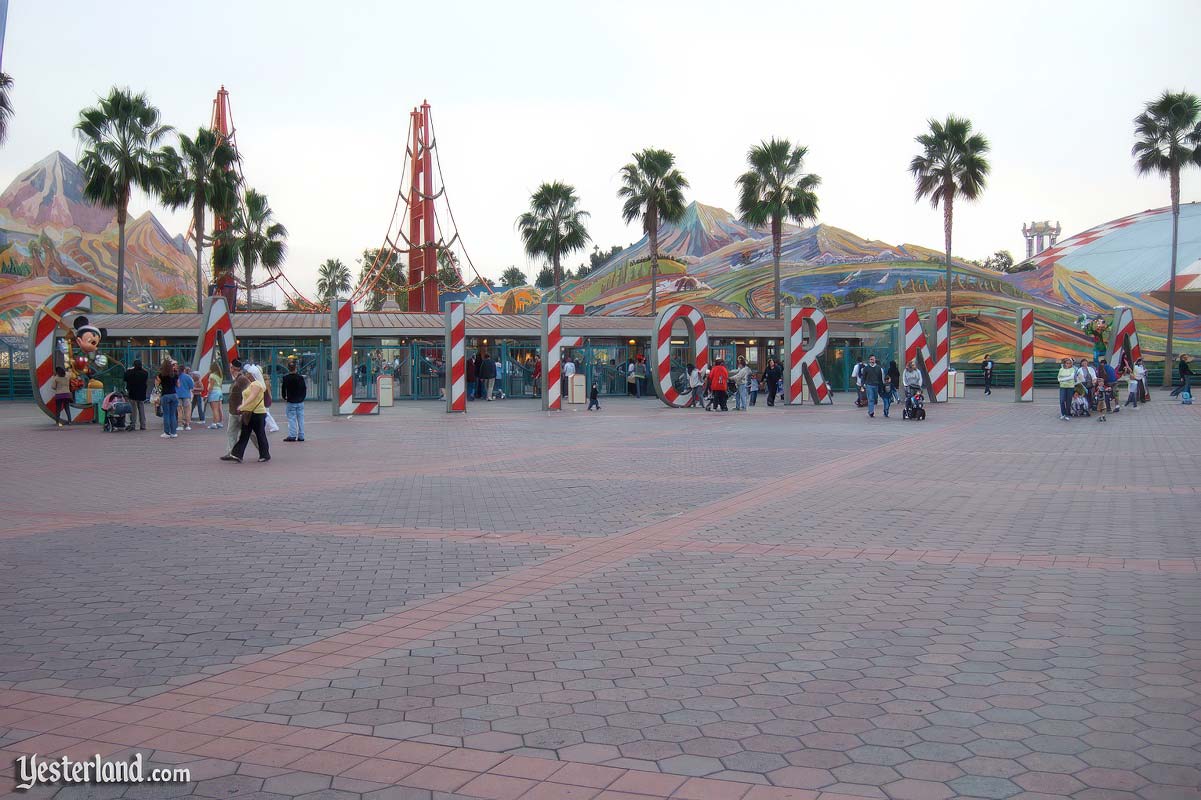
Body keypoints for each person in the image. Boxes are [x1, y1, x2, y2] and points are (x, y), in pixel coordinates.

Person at [223, 363, 270, 463]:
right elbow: (245, 396)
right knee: (245, 434)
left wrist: (243, 406)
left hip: (258, 413)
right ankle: (237, 454)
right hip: (249, 413)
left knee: (260, 434)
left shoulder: (257, 384)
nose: (247, 375)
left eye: (249, 373)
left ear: (253, 375)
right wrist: (244, 407)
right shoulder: (251, 384)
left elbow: (252, 397)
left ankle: (265, 455)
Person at [224, 360, 257, 457]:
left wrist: (244, 406)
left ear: (234, 368)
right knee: (231, 432)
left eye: (231, 367)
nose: (230, 369)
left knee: (251, 433)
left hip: (241, 411)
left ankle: (263, 450)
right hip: (234, 411)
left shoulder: (242, 379)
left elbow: (249, 393)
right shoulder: (237, 379)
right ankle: (231, 452)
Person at [281, 360, 306, 442]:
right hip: (300, 401)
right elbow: (304, 389)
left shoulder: (286, 378)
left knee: (291, 419)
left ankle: (292, 435)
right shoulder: (301, 378)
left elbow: (283, 389)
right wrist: (302, 398)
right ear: (296, 368)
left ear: (288, 369)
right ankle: (301, 436)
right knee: (301, 419)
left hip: (291, 401)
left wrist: (285, 397)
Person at [123, 359, 149, 430]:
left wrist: (129, 370)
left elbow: (125, 378)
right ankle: (143, 425)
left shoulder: (130, 372)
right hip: (141, 393)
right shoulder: (144, 373)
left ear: (134, 365)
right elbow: (146, 374)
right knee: (141, 408)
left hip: (132, 393)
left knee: (133, 409)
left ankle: (133, 424)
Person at [158, 360, 179, 438]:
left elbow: (157, 384)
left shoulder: (161, 375)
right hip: (174, 395)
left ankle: (167, 433)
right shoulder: (175, 374)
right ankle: (174, 432)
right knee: (173, 414)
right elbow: (178, 385)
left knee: (166, 414)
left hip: (165, 395)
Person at [205, 363, 225, 429]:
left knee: (214, 409)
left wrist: (207, 394)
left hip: (214, 392)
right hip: (219, 391)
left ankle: (214, 423)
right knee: (219, 408)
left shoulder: (212, 375)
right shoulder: (220, 375)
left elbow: (211, 386)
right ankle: (219, 422)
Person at [176, 365, 194, 432]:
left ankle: (180, 425)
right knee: (187, 410)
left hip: (178, 395)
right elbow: (192, 386)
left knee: (179, 410)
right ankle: (187, 425)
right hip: (186, 395)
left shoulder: (176, 376)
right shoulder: (187, 377)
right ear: (184, 370)